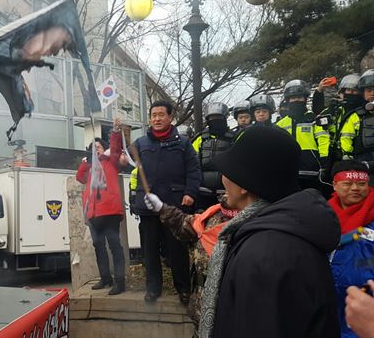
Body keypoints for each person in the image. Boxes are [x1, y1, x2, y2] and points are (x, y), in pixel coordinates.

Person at [193, 125, 340, 338]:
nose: (222, 179)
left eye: (227, 171)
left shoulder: (265, 253)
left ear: (244, 183)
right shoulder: (281, 232)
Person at [131, 100, 201, 303]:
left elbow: (194, 170)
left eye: (161, 114)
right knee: (150, 250)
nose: (157, 119)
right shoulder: (141, 143)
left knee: (177, 250)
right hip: (148, 206)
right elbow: (122, 159)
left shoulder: (183, 143)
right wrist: (117, 135)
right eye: (153, 115)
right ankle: (153, 289)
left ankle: (184, 289)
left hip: (174, 205)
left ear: (170, 117)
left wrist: (190, 192)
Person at [144, 193, 238, 332]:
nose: (223, 179)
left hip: (232, 324)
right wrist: (162, 208)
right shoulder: (214, 214)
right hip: (201, 321)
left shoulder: (256, 225)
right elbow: (187, 224)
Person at [75, 117, 126, 295]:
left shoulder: (111, 161)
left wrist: (116, 131)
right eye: (92, 147)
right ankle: (105, 278)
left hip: (110, 211)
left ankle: (120, 281)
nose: (95, 148)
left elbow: (116, 147)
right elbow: (79, 178)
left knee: (114, 246)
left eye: (98, 146)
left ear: (105, 149)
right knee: (98, 247)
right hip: (93, 213)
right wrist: (84, 162)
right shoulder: (88, 167)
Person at [326, 160, 374, 337]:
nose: (355, 188)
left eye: (362, 184)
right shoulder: (321, 215)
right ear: (335, 185)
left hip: (364, 301)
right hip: (327, 298)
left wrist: (361, 268)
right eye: (347, 183)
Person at [276, 79, 330, 191]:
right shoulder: (280, 124)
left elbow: (323, 139)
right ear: (288, 100)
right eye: (293, 98)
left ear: (305, 99)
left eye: (299, 97)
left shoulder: (314, 119)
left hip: (312, 170)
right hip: (288, 172)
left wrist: (324, 161)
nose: (296, 100)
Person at [192, 103, 235, 210]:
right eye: (212, 118)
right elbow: (191, 163)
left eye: (219, 118)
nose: (215, 120)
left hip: (226, 192)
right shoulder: (200, 139)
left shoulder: (234, 138)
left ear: (225, 118)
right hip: (202, 191)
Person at [317, 74, 362, 163]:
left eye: (355, 91)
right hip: (335, 158)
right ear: (342, 92)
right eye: (349, 90)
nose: (351, 93)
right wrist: (319, 91)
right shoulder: (336, 109)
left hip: (358, 159)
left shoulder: (364, 111)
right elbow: (318, 112)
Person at [339, 70, 374, 163]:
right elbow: (346, 137)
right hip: (363, 165)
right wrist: (347, 159)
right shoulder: (356, 115)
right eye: (369, 90)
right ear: (363, 93)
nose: (372, 93)